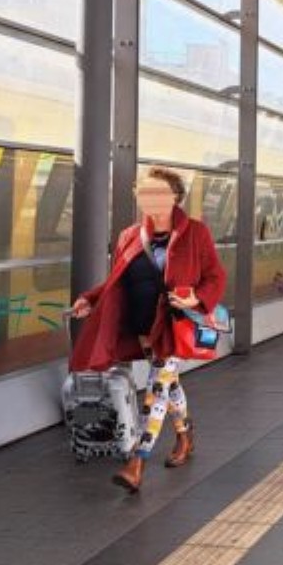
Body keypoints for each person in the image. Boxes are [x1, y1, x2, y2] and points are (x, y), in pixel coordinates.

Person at [69, 166, 227, 494]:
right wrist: (90, 299)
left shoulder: (195, 233)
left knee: (156, 388)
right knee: (169, 384)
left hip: (172, 325)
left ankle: (136, 462)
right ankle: (184, 435)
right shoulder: (129, 236)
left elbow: (216, 276)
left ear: (175, 197)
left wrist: (196, 297)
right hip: (142, 327)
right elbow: (116, 282)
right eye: (144, 192)